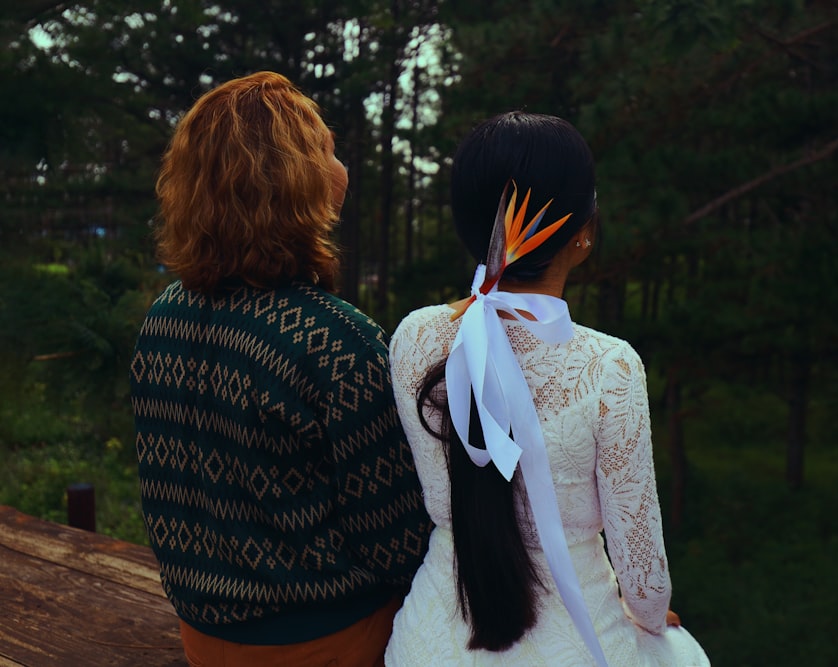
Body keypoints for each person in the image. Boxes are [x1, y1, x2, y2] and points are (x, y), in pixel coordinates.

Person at [384, 111, 711, 666]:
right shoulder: (610, 366)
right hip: (580, 644)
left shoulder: (414, 336)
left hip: (432, 642)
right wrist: (652, 618)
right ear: (581, 232)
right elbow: (645, 577)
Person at [130, 71, 432, 667]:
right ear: (294, 179)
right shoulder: (338, 341)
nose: (342, 167)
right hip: (320, 644)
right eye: (328, 150)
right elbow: (399, 547)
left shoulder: (164, 315)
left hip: (200, 636)